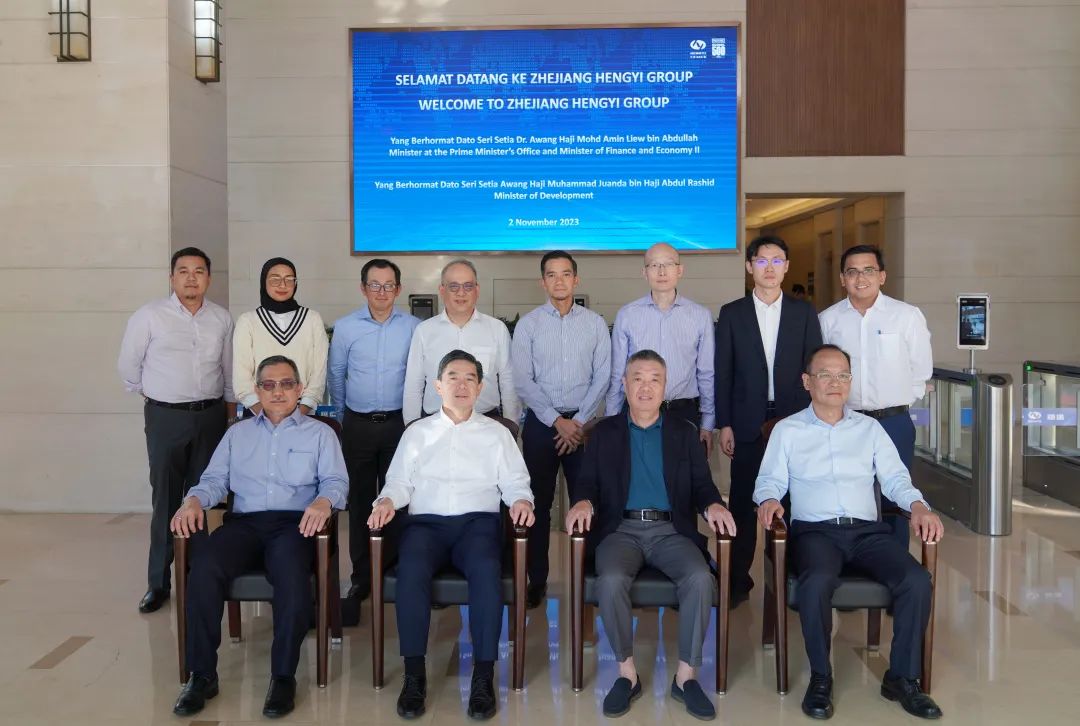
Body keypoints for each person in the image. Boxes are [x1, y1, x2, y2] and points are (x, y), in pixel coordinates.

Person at [754, 344, 944, 721]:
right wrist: (769, 500)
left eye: (842, 375)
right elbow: (769, 481)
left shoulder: (869, 429)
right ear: (807, 381)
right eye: (825, 375)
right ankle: (821, 677)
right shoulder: (788, 430)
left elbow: (895, 479)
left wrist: (918, 506)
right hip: (815, 533)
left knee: (916, 580)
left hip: (868, 533)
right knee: (816, 581)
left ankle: (902, 678)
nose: (835, 382)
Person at [169, 355, 349, 719]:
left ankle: (283, 676)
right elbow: (214, 481)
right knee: (204, 567)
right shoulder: (237, 434)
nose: (278, 392)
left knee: (290, 573)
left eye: (286, 384)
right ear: (257, 391)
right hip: (244, 524)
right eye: (269, 385)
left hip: (295, 524)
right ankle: (202, 675)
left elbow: (336, 482)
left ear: (300, 389)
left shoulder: (320, 434)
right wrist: (193, 500)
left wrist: (324, 501)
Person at [566, 350, 736, 721]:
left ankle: (686, 677)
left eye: (654, 379)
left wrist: (713, 506)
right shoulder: (605, 433)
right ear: (624, 384)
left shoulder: (683, 432)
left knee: (699, 578)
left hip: (670, 531)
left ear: (665, 386)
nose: (645, 387)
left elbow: (702, 485)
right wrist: (582, 502)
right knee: (611, 580)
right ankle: (627, 673)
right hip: (620, 530)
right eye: (637, 379)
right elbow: (587, 483)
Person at [369, 350, 534, 721]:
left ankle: (483, 676)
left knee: (487, 571)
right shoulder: (416, 433)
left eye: (469, 378)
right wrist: (387, 501)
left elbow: (515, 481)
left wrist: (522, 500)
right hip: (425, 525)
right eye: (453, 377)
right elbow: (398, 482)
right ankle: (414, 676)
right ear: (438, 386)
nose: (461, 385)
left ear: (480, 387)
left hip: (477, 525)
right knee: (411, 570)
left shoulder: (497, 434)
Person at [118, 247, 235, 614]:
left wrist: (229, 415)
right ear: (172, 278)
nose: (191, 278)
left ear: (208, 278)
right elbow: (128, 368)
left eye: (198, 271)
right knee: (166, 499)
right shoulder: (149, 316)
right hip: (166, 417)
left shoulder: (221, 318)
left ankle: (197, 577)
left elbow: (228, 371)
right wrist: (157, 398)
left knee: (202, 497)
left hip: (210, 416)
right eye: (183, 271)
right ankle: (158, 583)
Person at [714, 235, 822, 606]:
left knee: (792, 502)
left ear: (787, 267)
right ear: (750, 267)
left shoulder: (803, 313)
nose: (770, 268)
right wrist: (725, 423)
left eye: (777, 260)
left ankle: (790, 581)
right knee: (743, 503)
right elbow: (723, 372)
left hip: (794, 420)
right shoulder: (733, 313)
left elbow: (814, 369)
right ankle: (737, 582)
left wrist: (814, 420)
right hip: (746, 421)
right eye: (762, 261)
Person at [511, 250, 610, 609]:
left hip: (584, 428)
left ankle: (590, 578)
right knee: (538, 504)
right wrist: (557, 420)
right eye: (551, 275)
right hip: (543, 426)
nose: (559, 281)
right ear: (543, 282)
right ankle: (536, 580)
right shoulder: (529, 325)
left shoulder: (595, 324)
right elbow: (523, 380)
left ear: (575, 279)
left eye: (565, 274)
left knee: (589, 501)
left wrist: (578, 421)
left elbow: (603, 376)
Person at [818, 245, 933, 548]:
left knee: (895, 498)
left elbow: (921, 370)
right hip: (845, 422)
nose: (861, 278)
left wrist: (897, 402)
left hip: (893, 422)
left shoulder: (906, 316)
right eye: (852, 272)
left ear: (882, 276)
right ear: (842, 278)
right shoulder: (828, 320)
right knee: (848, 494)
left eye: (868, 270)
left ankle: (893, 561)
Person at [327, 258, 420, 609]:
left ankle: (393, 574)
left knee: (398, 501)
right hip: (358, 425)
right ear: (363, 288)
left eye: (388, 285)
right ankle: (362, 578)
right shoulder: (345, 327)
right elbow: (336, 375)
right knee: (360, 503)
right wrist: (343, 418)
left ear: (398, 289)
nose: (382, 291)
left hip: (400, 426)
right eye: (374, 285)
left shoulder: (414, 327)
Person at [607, 243, 715, 456]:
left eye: (668, 264)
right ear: (644, 272)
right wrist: (612, 419)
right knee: (637, 471)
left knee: (682, 474)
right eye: (654, 265)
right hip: (638, 411)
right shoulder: (627, 315)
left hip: (684, 411)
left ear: (680, 270)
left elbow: (706, 373)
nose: (662, 271)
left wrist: (708, 422)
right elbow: (618, 373)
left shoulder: (700, 316)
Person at [402, 259, 520, 425]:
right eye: (454, 286)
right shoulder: (424, 331)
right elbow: (414, 384)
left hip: (487, 423)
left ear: (477, 290)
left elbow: (509, 381)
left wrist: (511, 425)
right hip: (434, 425)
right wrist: (411, 426)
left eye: (468, 286)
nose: (461, 293)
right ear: (442, 290)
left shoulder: (497, 329)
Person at [233, 257, 329, 416]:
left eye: (289, 279)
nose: (283, 285)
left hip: (303, 412)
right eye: (275, 279)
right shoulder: (248, 321)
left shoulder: (312, 319)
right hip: (258, 413)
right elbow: (241, 378)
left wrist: (301, 413)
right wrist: (266, 416)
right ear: (263, 282)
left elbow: (319, 372)